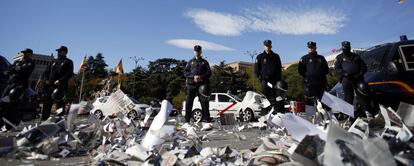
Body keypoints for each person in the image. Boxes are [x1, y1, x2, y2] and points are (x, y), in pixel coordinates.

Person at [0, 48, 35, 128]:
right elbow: (9, 69)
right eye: (23, 53)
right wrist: (12, 70)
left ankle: (12, 124)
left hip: (19, 86)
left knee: (13, 104)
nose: (24, 54)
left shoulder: (31, 63)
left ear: (30, 54)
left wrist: (16, 69)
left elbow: (25, 70)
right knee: (3, 102)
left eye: (26, 53)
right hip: (10, 84)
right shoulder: (18, 62)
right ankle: (5, 122)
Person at [334, 41, 368, 119]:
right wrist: (345, 73)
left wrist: (359, 74)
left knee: (362, 96)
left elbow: (364, 67)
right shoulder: (339, 57)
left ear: (349, 47)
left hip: (358, 79)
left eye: (347, 47)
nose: (345, 49)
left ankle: (366, 113)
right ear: (342, 48)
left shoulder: (356, 56)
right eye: (344, 48)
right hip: (347, 80)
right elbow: (337, 69)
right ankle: (348, 116)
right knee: (348, 98)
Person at [41, 46, 73, 120]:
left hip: (60, 87)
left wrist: (60, 80)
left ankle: (59, 124)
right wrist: (45, 80)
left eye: (59, 51)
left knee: (59, 107)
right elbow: (46, 72)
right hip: (49, 86)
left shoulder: (68, 62)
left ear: (64, 52)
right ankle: (43, 122)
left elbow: (69, 74)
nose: (58, 52)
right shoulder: (53, 61)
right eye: (58, 51)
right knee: (46, 105)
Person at [183, 45, 212, 125]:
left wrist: (201, 77)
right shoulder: (190, 62)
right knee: (189, 102)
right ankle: (186, 121)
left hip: (202, 84)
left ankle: (207, 120)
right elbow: (185, 72)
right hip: (191, 84)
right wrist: (193, 76)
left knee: (204, 102)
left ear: (201, 51)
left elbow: (209, 73)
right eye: (196, 51)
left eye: (198, 51)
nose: (197, 52)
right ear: (194, 52)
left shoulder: (205, 62)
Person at [254, 40, 284, 113]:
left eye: (268, 46)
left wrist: (278, 79)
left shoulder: (276, 56)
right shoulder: (259, 57)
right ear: (264, 46)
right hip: (265, 80)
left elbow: (279, 68)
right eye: (266, 46)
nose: (267, 47)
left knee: (276, 97)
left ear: (271, 46)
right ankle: (265, 113)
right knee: (265, 98)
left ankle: (277, 113)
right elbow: (257, 70)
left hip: (275, 81)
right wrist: (261, 79)